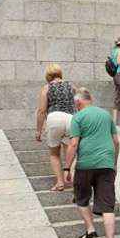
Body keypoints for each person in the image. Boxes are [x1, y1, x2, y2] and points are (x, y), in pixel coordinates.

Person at [64, 88, 120, 238]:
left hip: (85, 165)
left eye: (76, 104)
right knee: (107, 206)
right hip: (107, 164)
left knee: (81, 198)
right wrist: (114, 163)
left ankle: (90, 230)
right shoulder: (105, 115)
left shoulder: (78, 117)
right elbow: (116, 141)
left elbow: (73, 144)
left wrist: (67, 167)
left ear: (78, 102)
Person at [35, 64, 76, 192]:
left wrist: (39, 130)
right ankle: (72, 180)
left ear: (48, 75)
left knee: (54, 154)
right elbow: (80, 102)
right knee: (70, 151)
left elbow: (41, 111)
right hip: (71, 119)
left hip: (54, 118)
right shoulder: (72, 86)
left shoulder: (46, 88)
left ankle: (60, 183)